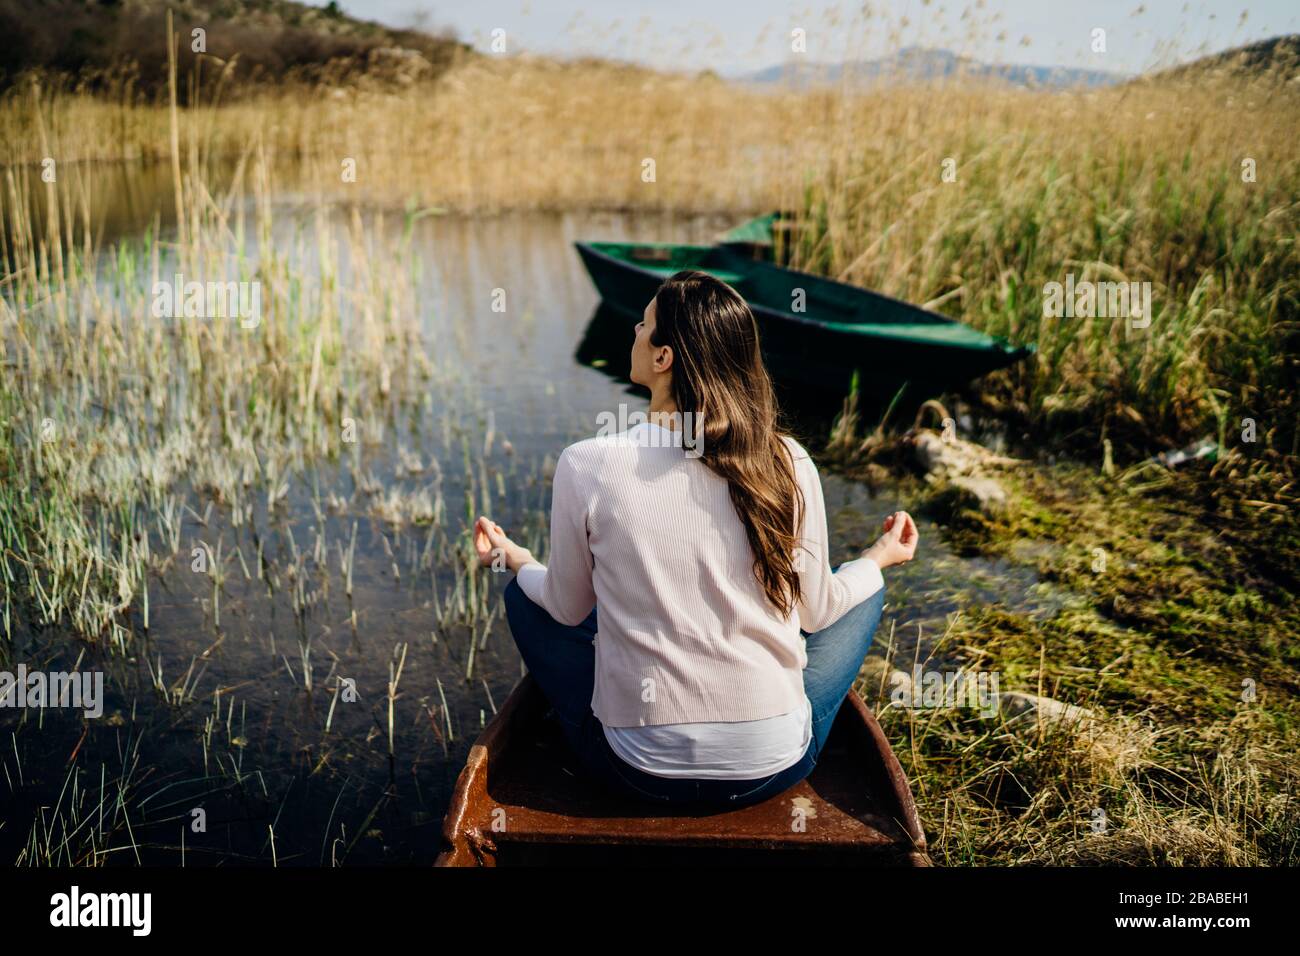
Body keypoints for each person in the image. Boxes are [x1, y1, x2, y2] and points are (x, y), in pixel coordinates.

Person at [472, 270, 918, 810]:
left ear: (663, 359)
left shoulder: (587, 463)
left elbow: (566, 609)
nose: (636, 328)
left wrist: (516, 559)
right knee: (861, 592)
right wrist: (876, 557)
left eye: (644, 323)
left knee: (526, 595)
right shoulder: (788, 460)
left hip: (636, 770)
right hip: (773, 766)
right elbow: (817, 611)